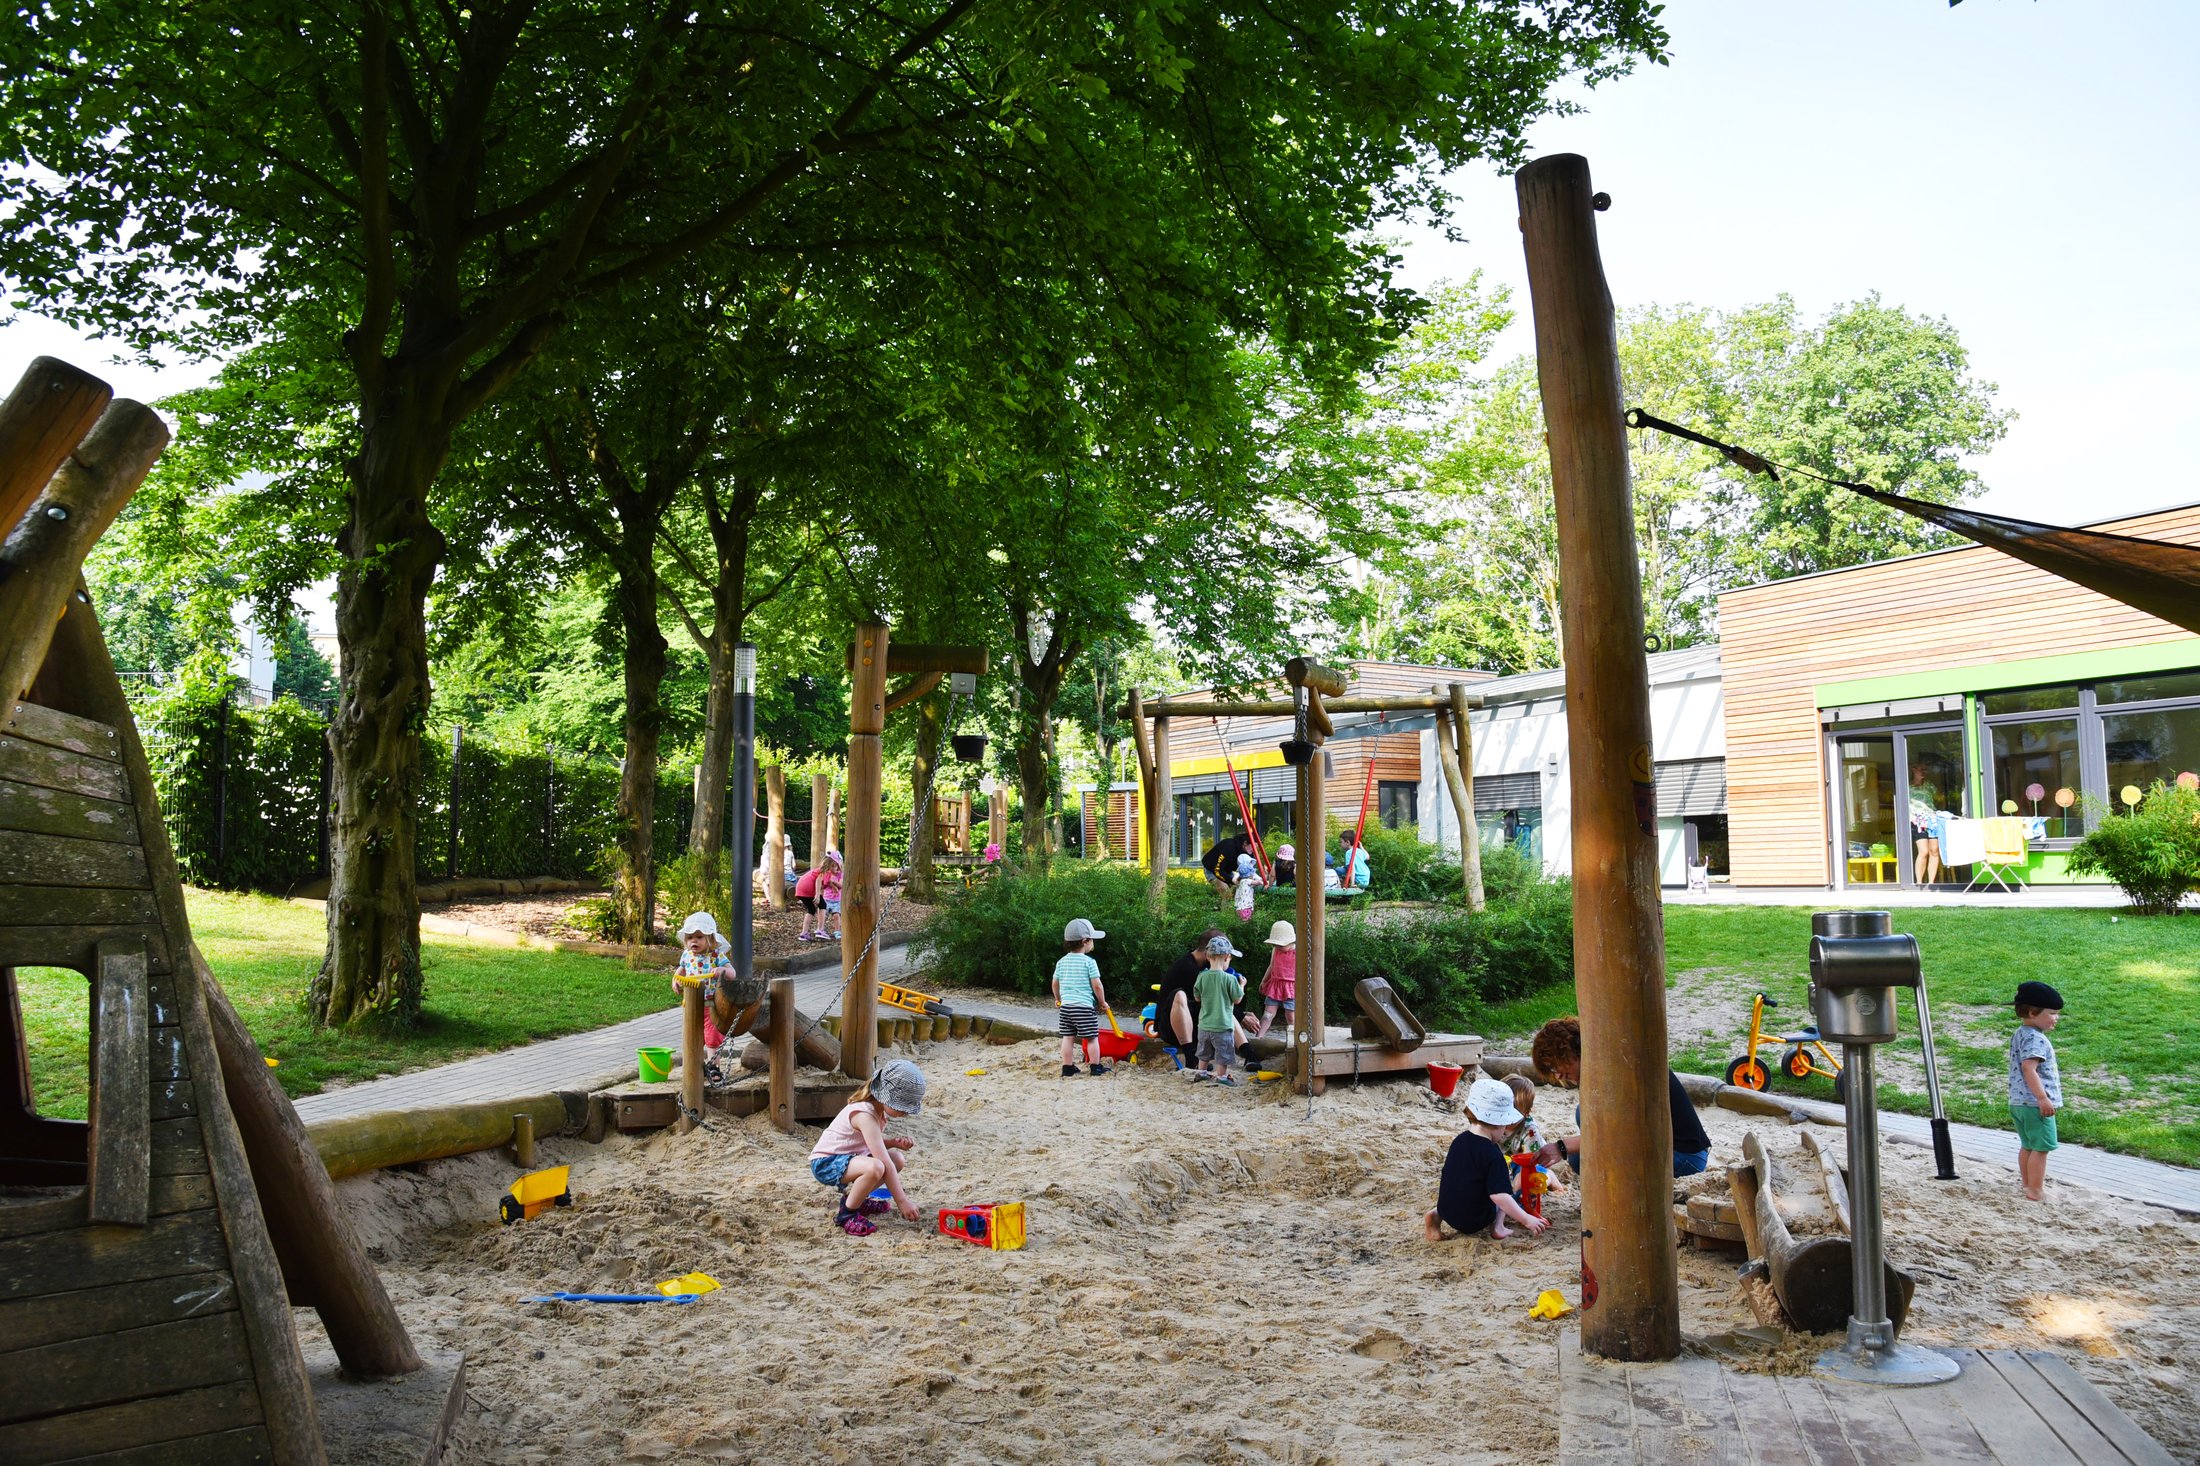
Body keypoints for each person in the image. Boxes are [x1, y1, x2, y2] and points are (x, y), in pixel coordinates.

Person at [1529, 1015, 1713, 1178]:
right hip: (1653, 1147)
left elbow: (1616, 1136)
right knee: (1582, 1141)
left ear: (1572, 1052)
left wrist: (1561, 1147)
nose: (1558, 1075)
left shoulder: (1617, 1068)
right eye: (1552, 1070)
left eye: (1557, 1065)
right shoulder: (1597, 1067)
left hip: (1684, 1156)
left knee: (1584, 1158)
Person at [1424, 1077, 1551, 1242]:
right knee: (1506, 1192)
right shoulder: (1493, 1155)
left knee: (1462, 1184)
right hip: (1474, 1220)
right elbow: (1501, 1197)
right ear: (1498, 1123)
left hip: (1447, 1211)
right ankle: (1498, 1227)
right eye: (1505, 1126)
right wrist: (1527, 1220)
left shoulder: (1459, 1141)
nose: (1504, 1132)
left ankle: (1435, 1215)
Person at [808, 1059, 924, 1237]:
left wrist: (893, 1142)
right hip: (826, 1163)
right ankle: (847, 1214)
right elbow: (882, 1160)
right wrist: (902, 1201)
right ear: (887, 1097)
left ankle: (857, 1199)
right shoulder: (865, 1114)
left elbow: (872, 1142)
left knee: (897, 1159)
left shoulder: (877, 1110)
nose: (906, 1113)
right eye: (903, 1107)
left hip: (849, 1158)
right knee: (877, 1166)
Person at [2009, 980, 2064, 1202]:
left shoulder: (2020, 1033)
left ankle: (2027, 1184)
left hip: (2018, 1102)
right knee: (2041, 1148)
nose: (2056, 1018)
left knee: (2028, 1145)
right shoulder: (2036, 1039)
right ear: (2033, 1012)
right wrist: (2043, 1098)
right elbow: (2028, 1068)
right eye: (2052, 1013)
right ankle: (2035, 1190)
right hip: (2034, 1104)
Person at [671, 912, 735, 1080]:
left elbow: (732, 973)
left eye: (699, 937)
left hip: (710, 1004)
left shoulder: (716, 956)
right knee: (693, 1035)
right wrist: (676, 980)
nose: (694, 941)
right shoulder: (687, 955)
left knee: (712, 1036)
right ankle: (694, 1066)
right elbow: (681, 970)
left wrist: (722, 971)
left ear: (710, 939)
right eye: (690, 937)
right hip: (691, 1004)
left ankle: (714, 1066)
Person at [1154, 928, 1222, 1063]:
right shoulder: (1188, 967)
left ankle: (1247, 1052)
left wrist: (1241, 1015)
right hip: (1170, 1028)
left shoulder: (1202, 966)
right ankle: (1190, 1055)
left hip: (1193, 1023)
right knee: (1179, 994)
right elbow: (1211, 1000)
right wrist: (1242, 1017)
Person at [1053, 917, 1109, 1077]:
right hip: (1083, 1007)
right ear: (1085, 941)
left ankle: (1067, 1067)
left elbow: (1055, 984)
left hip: (1066, 1007)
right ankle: (1095, 1067)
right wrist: (1102, 1002)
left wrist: (1058, 999)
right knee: (1091, 1038)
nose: (1093, 943)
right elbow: (1097, 985)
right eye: (1092, 939)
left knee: (1068, 1037)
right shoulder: (1089, 962)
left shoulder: (1061, 962)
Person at [1188, 934, 1246, 1086]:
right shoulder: (1230, 979)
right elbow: (1237, 999)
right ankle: (1221, 1076)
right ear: (1227, 957)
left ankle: (1201, 1073)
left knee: (1203, 1052)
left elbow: (1197, 997)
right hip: (1223, 1025)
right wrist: (1242, 985)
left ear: (1208, 956)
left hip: (1204, 1024)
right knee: (1223, 1053)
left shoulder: (1202, 976)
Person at [1249, 920, 1296, 1039]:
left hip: (1291, 987)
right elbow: (1271, 966)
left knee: (1291, 1016)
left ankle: (1295, 1039)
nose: (1277, 947)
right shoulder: (1276, 951)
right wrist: (1264, 981)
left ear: (1290, 941)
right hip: (1275, 986)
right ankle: (1259, 1037)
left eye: (1280, 945)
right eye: (1275, 944)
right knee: (1267, 1015)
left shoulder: (1297, 952)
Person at [1908, 762, 1944, 886]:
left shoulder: (1929, 785)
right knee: (1923, 851)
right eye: (1920, 769)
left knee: (1934, 850)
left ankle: (1931, 883)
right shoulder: (1907, 787)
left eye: (1925, 769)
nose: (1923, 772)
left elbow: (1940, 799)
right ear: (1913, 770)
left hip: (1932, 819)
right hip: (1917, 820)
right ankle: (1919, 883)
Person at [1499, 1073, 1549, 1158]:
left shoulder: (1530, 1132)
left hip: (1523, 1158)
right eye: (1500, 1110)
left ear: (1526, 1113)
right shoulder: (1493, 1121)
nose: (1505, 1118)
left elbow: (1533, 1160)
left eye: (1512, 1115)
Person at [1201, 830, 1255, 907]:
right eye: (1252, 846)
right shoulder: (1229, 847)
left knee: (1236, 892)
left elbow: (1247, 870)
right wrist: (1231, 880)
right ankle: (1225, 917)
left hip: (1227, 870)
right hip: (1213, 869)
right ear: (1245, 843)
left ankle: (1217, 907)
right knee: (1227, 894)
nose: (1254, 849)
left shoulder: (1248, 851)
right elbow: (1217, 870)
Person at [793, 861, 825, 941]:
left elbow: (822, 884)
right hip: (807, 890)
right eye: (835, 866)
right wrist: (817, 895)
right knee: (823, 905)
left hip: (800, 889)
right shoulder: (824, 871)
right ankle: (820, 929)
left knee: (811, 909)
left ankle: (804, 933)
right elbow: (818, 881)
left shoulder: (818, 870)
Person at [817, 849, 844, 940]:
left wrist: (834, 882)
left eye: (835, 866)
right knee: (822, 914)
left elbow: (841, 886)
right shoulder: (826, 874)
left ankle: (837, 931)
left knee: (836, 916)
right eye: (832, 866)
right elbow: (823, 884)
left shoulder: (840, 875)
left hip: (836, 900)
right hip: (826, 899)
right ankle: (820, 929)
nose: (834, 868)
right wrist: (830, 883)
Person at [1232, 853, 1262, 922]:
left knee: (1241, 922)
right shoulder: (1248, 881)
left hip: (1239, 907)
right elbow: (1259, 882)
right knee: (1246, 922)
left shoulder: (1241, 880)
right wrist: (1264, 882)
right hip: (1246, 907)